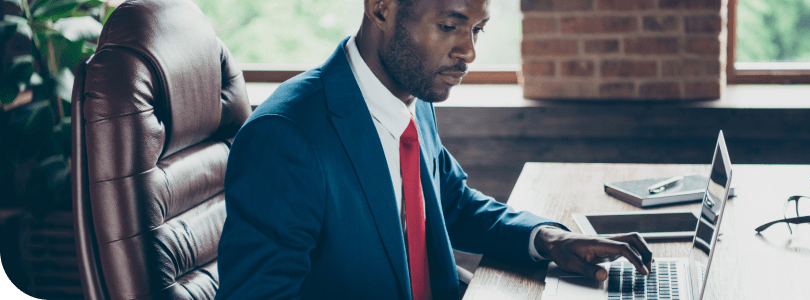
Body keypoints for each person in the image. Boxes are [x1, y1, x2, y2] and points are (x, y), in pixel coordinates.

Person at [215, 0, 653, 299]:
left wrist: (550, 239)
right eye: (450, 26)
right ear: (382, 7)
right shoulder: (286, 135)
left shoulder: (411, 98)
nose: (469, 51)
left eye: (477, 29)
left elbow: (452, 205)